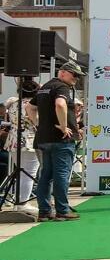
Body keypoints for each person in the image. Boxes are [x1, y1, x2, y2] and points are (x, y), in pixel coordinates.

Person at [31, 62, 84, 221]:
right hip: (60, 139)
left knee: (46, 174)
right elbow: (60, 104)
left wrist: (38, 124)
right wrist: (63, 126)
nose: (76, 78)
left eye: (77, 76)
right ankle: (62, 210)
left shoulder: (44, 87)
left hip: (44, 137)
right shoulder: (62, 87)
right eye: (73, 74)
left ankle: (44, 211)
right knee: (61, 173)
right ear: (62, 73)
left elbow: (29, 108)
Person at [5, 78, 39, 215]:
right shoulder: (33, 105)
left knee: (20, 172)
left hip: (13, 139)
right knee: (29, 172)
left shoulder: (13, 104)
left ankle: (19, 201)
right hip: (29, 139)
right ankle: (22, 202)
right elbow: (37, 122)